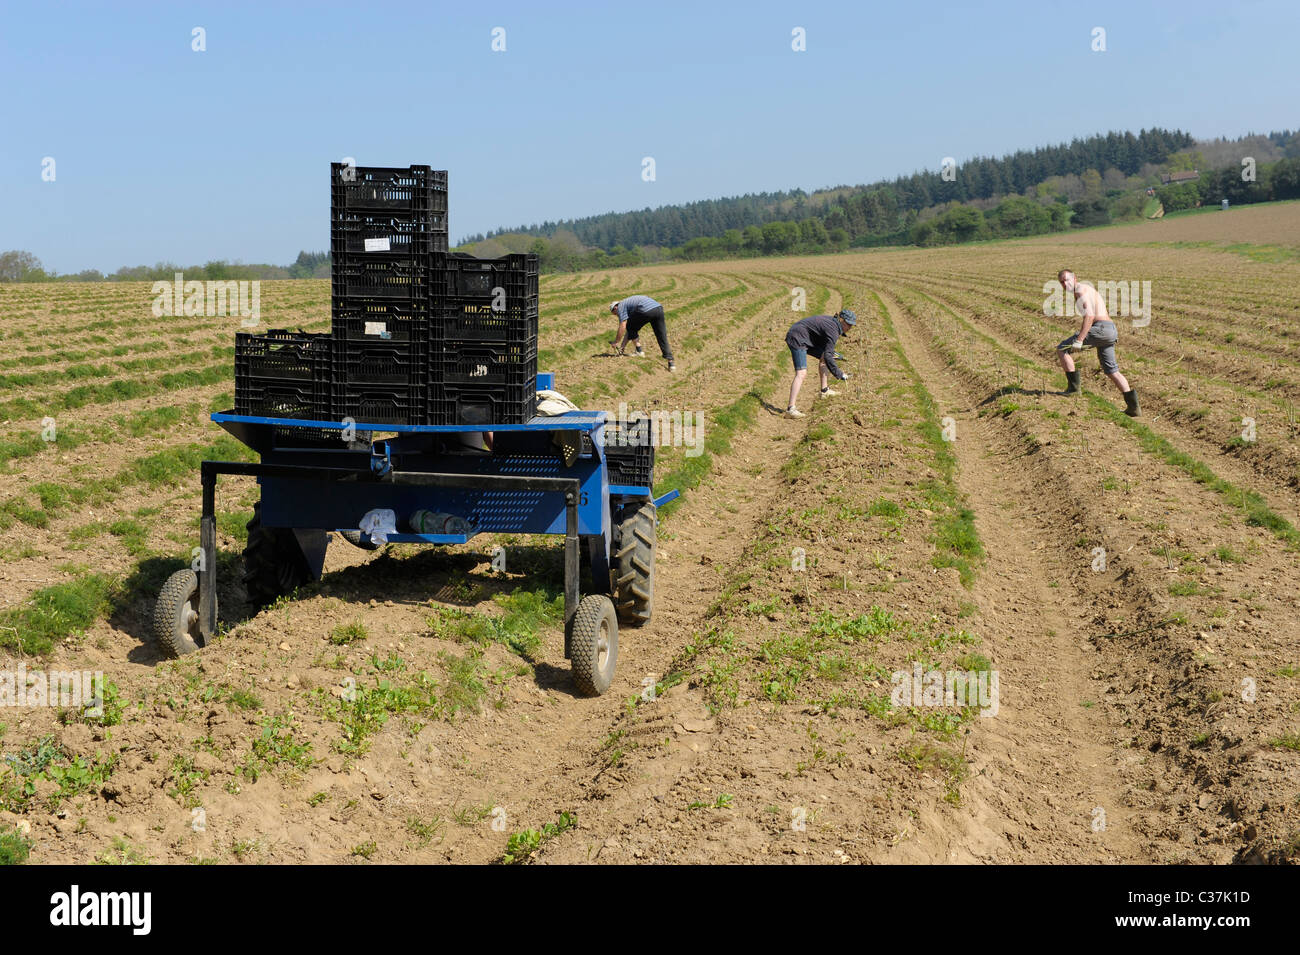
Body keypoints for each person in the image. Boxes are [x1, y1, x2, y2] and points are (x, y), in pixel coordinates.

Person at [1055, 269, 1139, 416]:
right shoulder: (1085, 289)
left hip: (1100, 328)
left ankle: (1073, 389)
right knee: (1112, 370)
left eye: (1067, 280)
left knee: (1062, 349)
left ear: (1074, 278)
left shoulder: (1080, 290)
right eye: (1061, 282)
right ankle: (1134, 408)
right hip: (1110, 330)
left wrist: (1080, 340)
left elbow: (1089, 316)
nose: (1064, 284)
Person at [785, 309, 855, 418]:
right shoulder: (833, 329)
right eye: (848, 324)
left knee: (824, 356)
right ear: (841, 320)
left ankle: (824, 391)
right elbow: (828, 355)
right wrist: (840, 374)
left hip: (805, 337)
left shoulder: (833, 324)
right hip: (797, 338)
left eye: (851, 325)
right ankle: (790, 409)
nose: (849, 328)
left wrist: (832, 355)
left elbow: (827, 353)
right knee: (801, 373)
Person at [610, 296, 675, 371]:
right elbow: (630, 330)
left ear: (615, 308)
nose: (617, 316)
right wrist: (622, 347)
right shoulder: (629, 306)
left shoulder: (621, 306)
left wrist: (616, 341)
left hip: (646, 309)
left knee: (630, 325)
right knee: (661, 335)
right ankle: (671, 363)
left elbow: (623, 326)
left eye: (615, 314)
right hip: (658, 308)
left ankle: (639, 351)